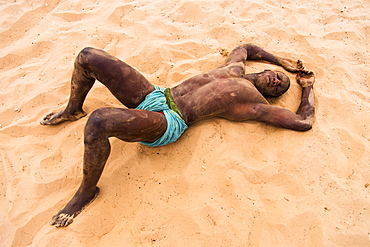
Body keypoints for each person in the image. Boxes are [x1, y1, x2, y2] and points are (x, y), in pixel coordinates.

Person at [41, 43, 315, 227]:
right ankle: (72, 109)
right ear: (266, 70)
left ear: (272, 95)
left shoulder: (254, 103)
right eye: (278, 77)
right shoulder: (236, 67)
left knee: (100, 120)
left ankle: (87, 190)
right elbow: (245, 46)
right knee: (87, 56)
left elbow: (303, 121)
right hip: (157, 94)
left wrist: (306, 88)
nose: (278, 82)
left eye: (280, 88)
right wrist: (283, 61)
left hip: (168, 120)